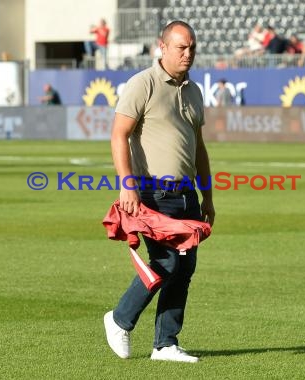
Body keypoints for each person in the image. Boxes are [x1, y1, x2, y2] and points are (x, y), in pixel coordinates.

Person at [105, 20, 214, 363]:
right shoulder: (143, 84)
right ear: (162, 47)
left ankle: (165, 344)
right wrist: (127, 184)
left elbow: (198, 148)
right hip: (152, 192)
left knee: (184, 268)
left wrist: (207, 196)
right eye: (181, 47)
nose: (188, 54)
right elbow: (118, 134)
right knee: (165, 262)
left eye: (192, 47)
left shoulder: (194, 91)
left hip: (186, 195)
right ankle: (120, 319)